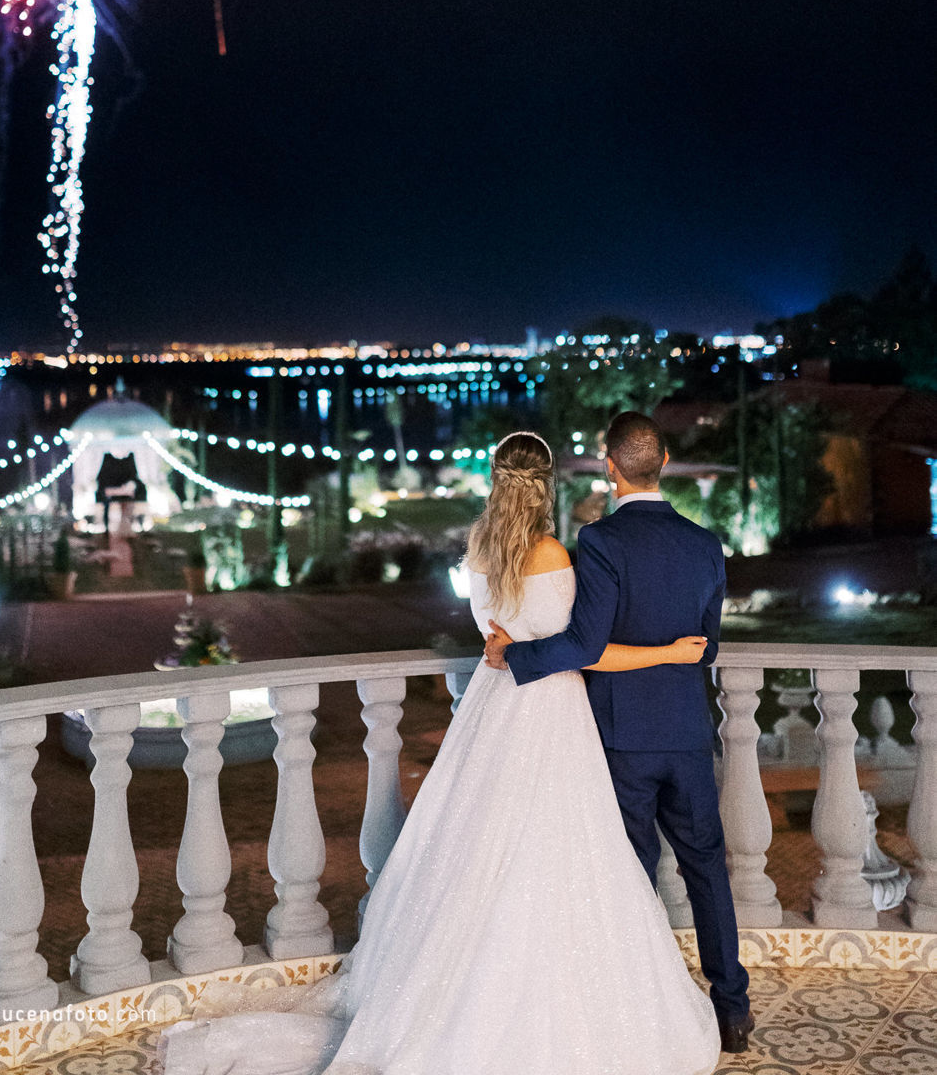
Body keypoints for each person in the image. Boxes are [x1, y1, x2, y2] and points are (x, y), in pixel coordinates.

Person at [159, 430, 721, 1075]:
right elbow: (583, 650)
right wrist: (668, 652)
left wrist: (510, 648)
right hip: (552, 711)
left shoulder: (479, 550)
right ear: (546, 485)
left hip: (493, 706)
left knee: (479, 844)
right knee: (560, 845)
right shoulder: (553, 555)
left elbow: (505, 636)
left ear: (497, 480)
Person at [485, 411, 753, 1056]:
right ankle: (733, 1011)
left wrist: (513, 656)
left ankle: (641, 1009)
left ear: (610, 468)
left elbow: (584, 644)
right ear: (664, 462)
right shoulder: (704, 543)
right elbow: (707, 647)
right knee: (707, 871)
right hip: (686, 733)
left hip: (621, 735)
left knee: (633, 873)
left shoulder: (600, 540)